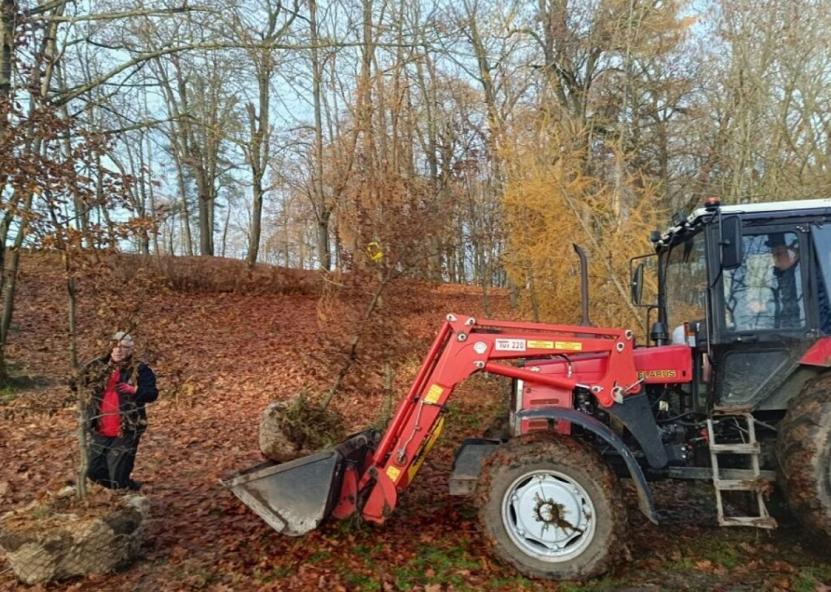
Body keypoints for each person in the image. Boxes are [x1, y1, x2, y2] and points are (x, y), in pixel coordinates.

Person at [83, 331, 158, 490]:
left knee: (118, 473)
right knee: (93, 470)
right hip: (99, 427)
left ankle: (124, 497)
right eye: (115, 346)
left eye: (123, 347)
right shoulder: (97, 365)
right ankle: (124, 489)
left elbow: (152, 394)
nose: (118, 350)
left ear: (130, 350)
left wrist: (135, 390)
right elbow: (76, 384)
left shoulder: (140, 369)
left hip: (127, 428)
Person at [767, 233, 802, 329]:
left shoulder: (802, 273)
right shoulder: (772, 278)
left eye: (780, 254)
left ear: (794, 254)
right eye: (774, 255)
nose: (776, 259)